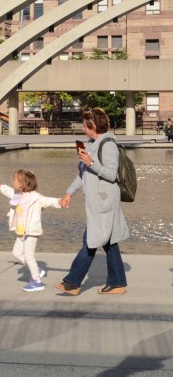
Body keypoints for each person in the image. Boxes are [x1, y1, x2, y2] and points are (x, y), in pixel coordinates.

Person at [55, 108, 129, 296]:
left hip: (104, 202)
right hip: (98, 203)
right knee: (108, 243)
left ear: (93, 125)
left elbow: (111, 175)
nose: (82, 127)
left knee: (90, 241)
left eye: (85, 124)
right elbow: (83, 176)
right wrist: (69, 192)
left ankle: (72, 283)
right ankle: (118, 282)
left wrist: (91, 163)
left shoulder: (108, 145)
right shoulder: (91, 144)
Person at [0, 170, 62, 292]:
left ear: (22, 184)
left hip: (31, 231)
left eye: (15, 180)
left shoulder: (36, 198)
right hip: (21, 231)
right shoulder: (18, 195)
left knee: (29, 256)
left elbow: (49, 201)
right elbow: (9, 192)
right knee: (16, 253)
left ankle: (37, 282)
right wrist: (0, 187)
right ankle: (37, 271)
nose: (12, 181)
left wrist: (61, 201)